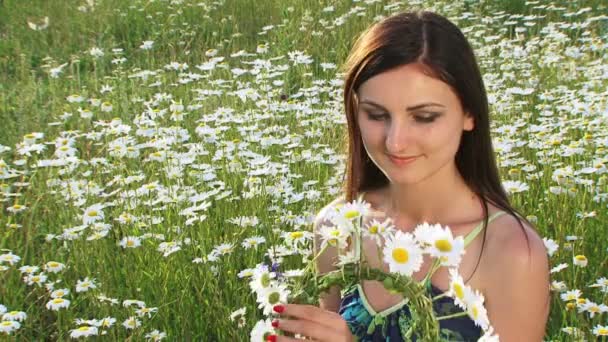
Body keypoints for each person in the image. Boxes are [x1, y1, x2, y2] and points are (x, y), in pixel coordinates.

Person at [266, 10, 550, 342]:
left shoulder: (511, 251)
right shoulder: (337, 228)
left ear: (469, 114)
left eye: (424, 117)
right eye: (376, 115)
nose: (395, 141)